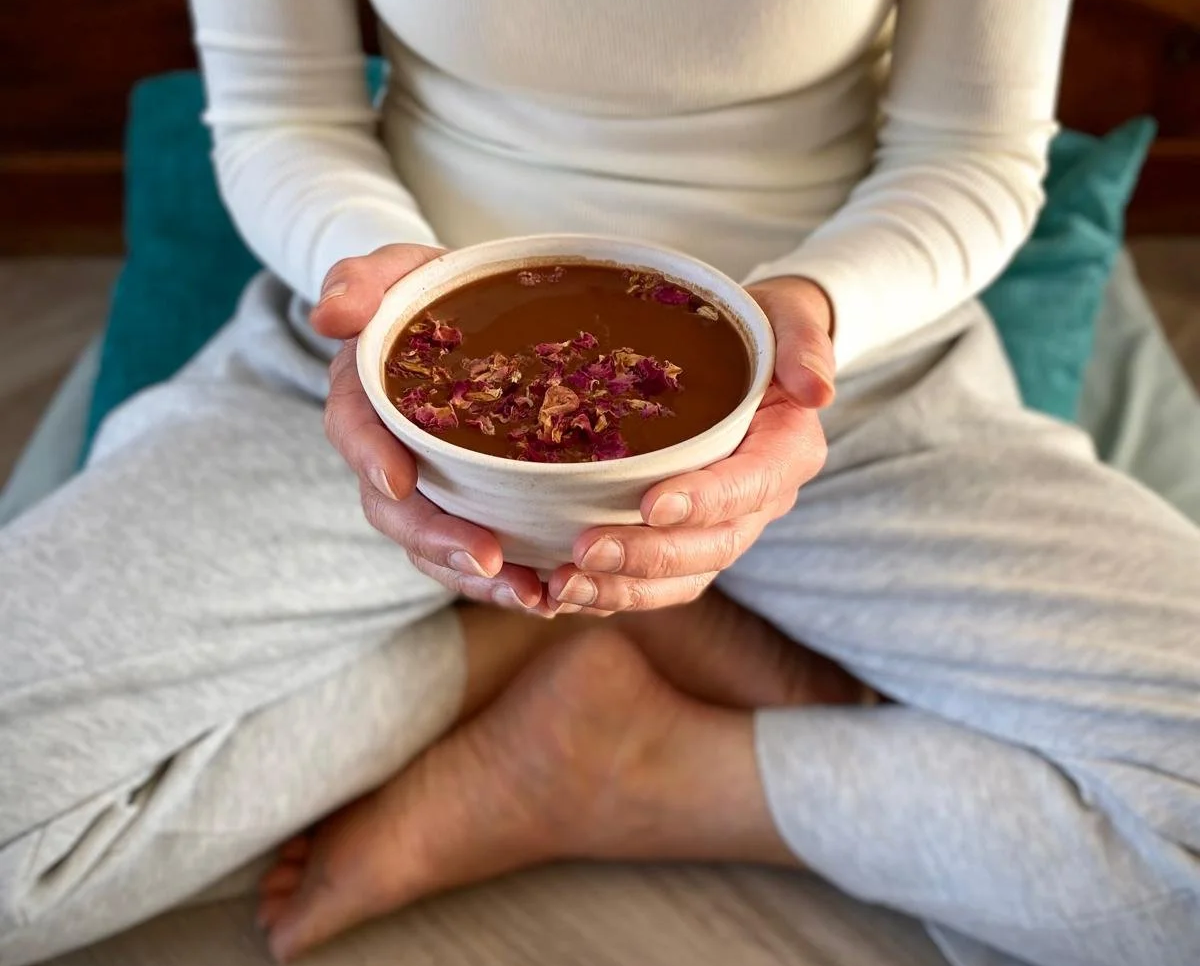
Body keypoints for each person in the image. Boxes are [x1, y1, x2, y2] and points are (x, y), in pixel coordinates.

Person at [2, 1, 1198, 965]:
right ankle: (514, 647)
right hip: (394, 376)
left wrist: (812, 320)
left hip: (845, 395)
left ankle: (625, 768)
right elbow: (280, 114)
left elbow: (974, 155)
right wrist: (385, 295)